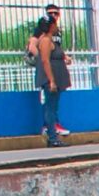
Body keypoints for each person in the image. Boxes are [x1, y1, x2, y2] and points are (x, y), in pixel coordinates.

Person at [25, 9, 71, 147]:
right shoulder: (45, 41)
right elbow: (45, 61)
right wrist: (51, 80)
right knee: (50, 108)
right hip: (50, 79)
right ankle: (52, 137)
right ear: (51, 26)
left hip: (56, 78)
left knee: (53, 107)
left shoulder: (51, 40)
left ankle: (53, 136)